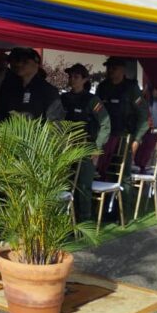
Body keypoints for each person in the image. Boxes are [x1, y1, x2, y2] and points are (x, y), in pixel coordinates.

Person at [95, 57, 149, 214]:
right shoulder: (102, 87)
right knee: (102, 173)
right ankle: (103, 210)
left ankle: (123, 212)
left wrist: (137, 139)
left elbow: (143, 115)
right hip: (105, 138)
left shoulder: (131, 88)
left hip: (124, 138)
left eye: (114, 68)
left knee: (123, 175)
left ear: (123, 70)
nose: (110, 71)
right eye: (108, 68)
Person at [61, 63, 110, 221]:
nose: (72, 79)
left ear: (84, 80)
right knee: (65, 184)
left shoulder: (92, 100)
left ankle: (85, 221)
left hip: (85, 148)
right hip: (66, 147)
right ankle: (68, 221)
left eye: (76, 77)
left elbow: (105, 124)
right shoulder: (63, 98)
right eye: (70, 76)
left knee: (83, 186)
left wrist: (97, 148)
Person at [0, 48, 64, 122]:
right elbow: (1, 116)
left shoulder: (48, 91)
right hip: (8, 132)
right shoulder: (7, 87)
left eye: (25, 61)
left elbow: (55, 123)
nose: (19, 64)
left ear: (36, 63)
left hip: (37, 133)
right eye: (16, 60)